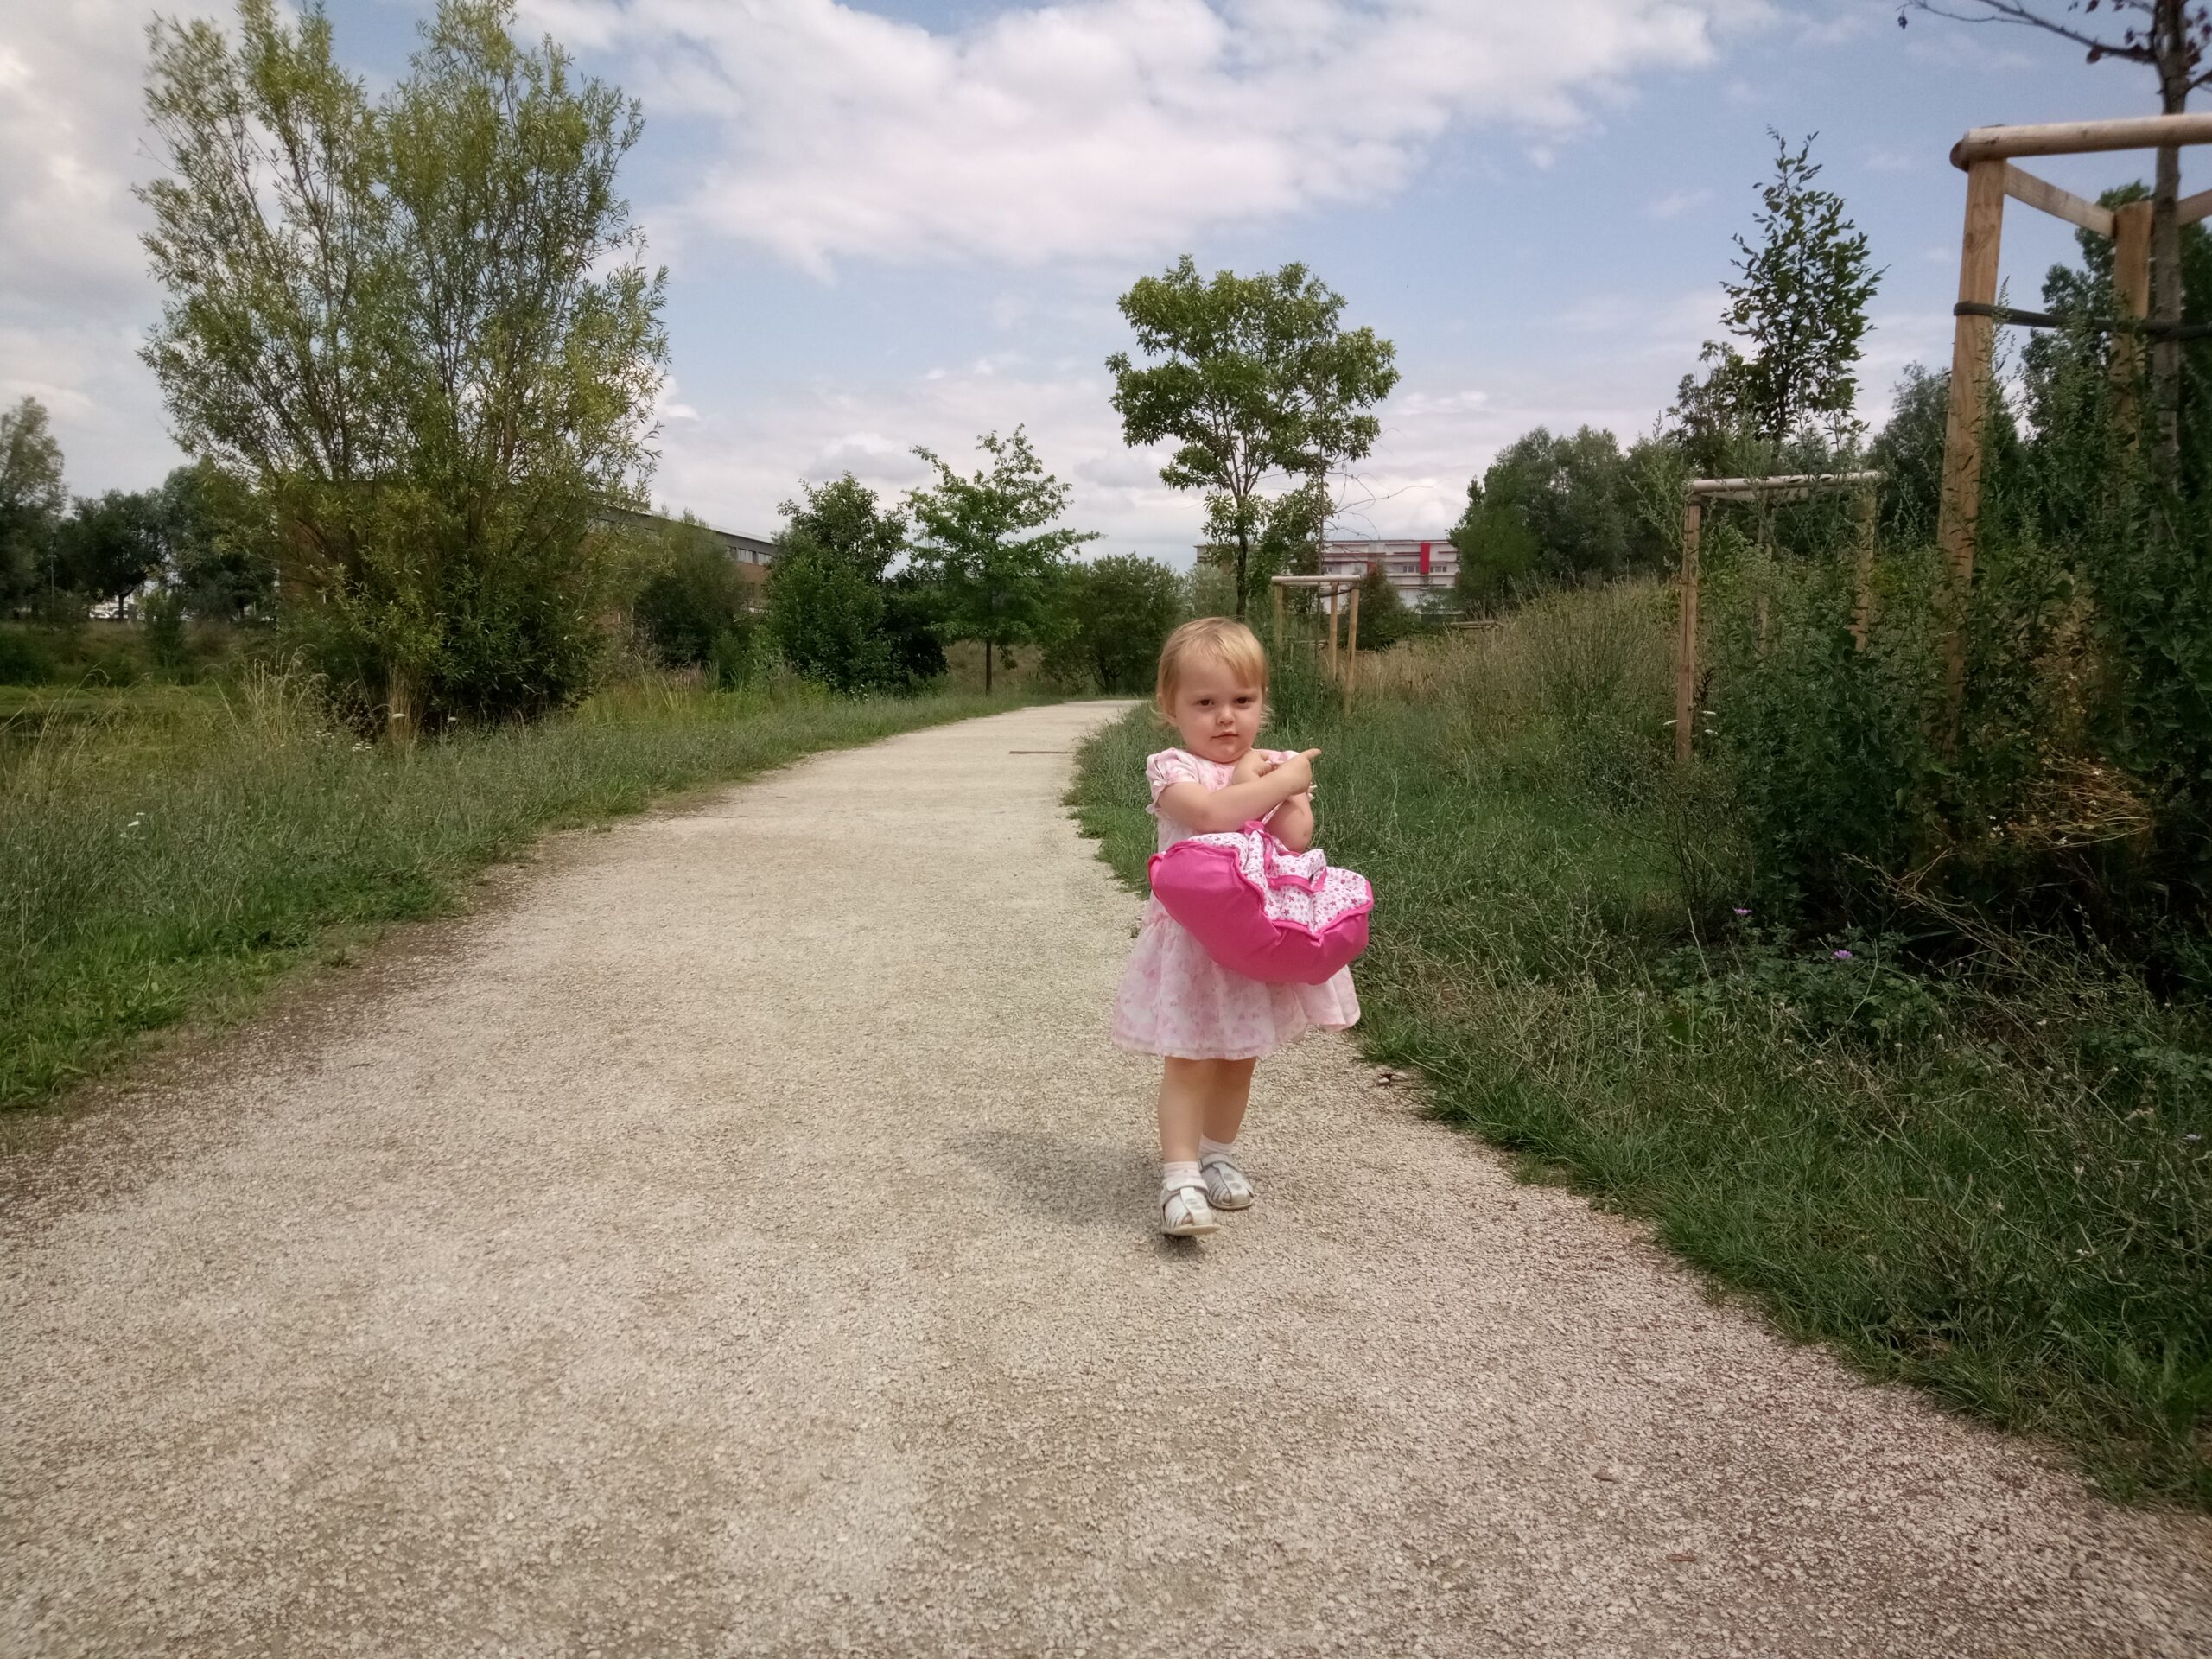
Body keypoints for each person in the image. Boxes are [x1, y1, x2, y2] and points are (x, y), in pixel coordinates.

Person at [1111, 617, 1360, 1236]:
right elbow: (1211, 815)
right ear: (1170, 706)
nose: (1226, 718)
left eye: (1242, 701)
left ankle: (1218, 1155)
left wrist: (1288, 790)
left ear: (1261, 702)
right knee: (1190, 1060)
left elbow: (1294, 838)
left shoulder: (1272, 766)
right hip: (1193, 945)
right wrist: (1275, 781)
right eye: (1205, 703)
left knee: (1238, 1059)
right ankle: (1179, 1178)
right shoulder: (1173, 770)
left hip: (1252, 940)